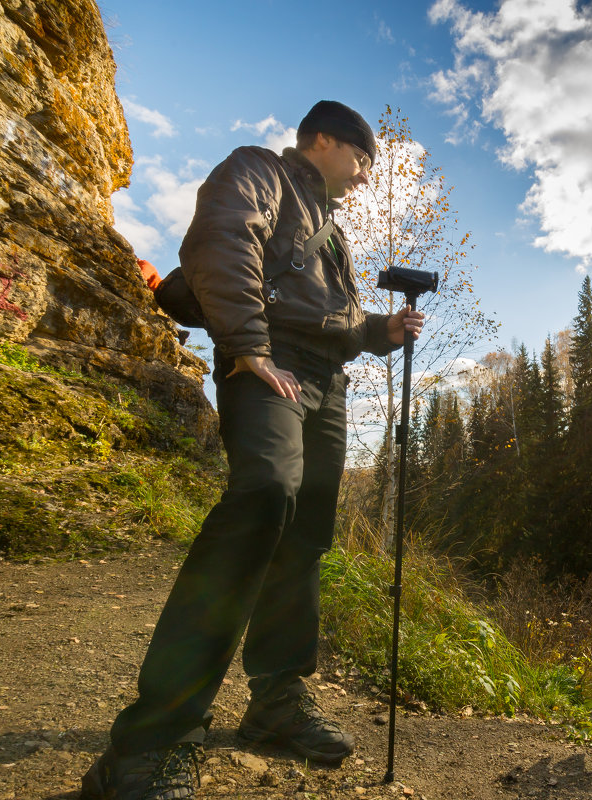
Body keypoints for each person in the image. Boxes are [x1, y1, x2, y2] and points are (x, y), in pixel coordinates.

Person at [82, 100, 424, 800]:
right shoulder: (258, 172)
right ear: (323, 140)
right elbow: (224, 241)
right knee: (264, 495)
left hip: (324, 382)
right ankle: (154, 738)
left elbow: (337, 317)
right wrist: (248, 348)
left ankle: (276, 702)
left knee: (304, 537)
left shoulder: (330, 231)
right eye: (360, 160)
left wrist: (380, 330)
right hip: (270, 364)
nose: (363, 176)